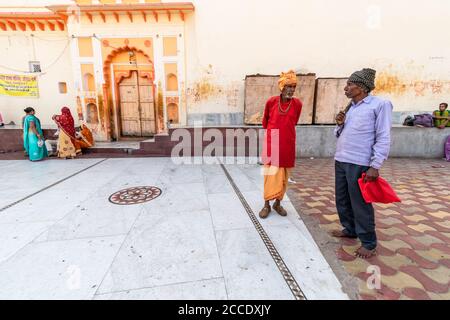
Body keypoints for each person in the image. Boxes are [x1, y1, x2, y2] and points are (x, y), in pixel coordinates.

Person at [333, 68, 393, 259]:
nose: (346, 88)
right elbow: (339, 134)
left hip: (360, 162)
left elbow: (383, 136)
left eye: (350, 84)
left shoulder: (380, 105)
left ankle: (368, 242)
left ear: (361, 87)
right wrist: (340, 124)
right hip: (341, 160)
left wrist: (375, 165)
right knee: (342, 199)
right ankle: (349, 229)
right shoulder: (351, 107)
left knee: (360, 203)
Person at [259, 70, 302, 219]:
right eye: (288, 86)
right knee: (269, 175)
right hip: (272, 142)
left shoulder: (297, 104)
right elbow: (265, 122)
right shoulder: (271, 102)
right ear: (282, 87)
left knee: (283, 177)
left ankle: (277, 203)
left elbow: (294, 122)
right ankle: (266, 205)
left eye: (293, 87)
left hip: (288, 144)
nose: (291, 90)